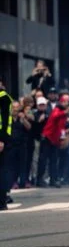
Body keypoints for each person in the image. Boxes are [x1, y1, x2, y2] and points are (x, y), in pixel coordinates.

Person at [39, 94, 69, 188]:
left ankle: (53, 179)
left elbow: (61, 126)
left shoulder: (63, 112)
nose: (65, 103)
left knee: (54, 160)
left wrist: (63, 136)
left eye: (66, 102)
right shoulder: (57, 110)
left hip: (55, 138)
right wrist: (65, 112)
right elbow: (55, 116)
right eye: (63, 101)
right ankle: (40, 179)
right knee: (44, 160)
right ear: (60, 102)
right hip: (48, 137)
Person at [0, 80, 13, 210]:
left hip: (1, 139)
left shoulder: (3, 97)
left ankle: (2, 200)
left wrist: (2, 140)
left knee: (1, 170)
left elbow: (5, 121)